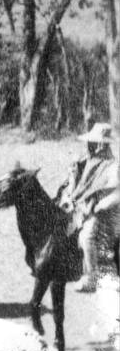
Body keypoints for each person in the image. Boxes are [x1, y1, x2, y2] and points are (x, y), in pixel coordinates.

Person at [59, 122, 119, 292]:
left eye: (93, 142)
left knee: (86, 236)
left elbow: (117, 192)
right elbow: (75, 186)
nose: (89, 145)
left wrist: (100, 205)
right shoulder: (86, 161)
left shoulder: (113, 166)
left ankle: (91, 278)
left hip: (102, 211)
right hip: (80, 204)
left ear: (101, 144)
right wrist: (72, 176)